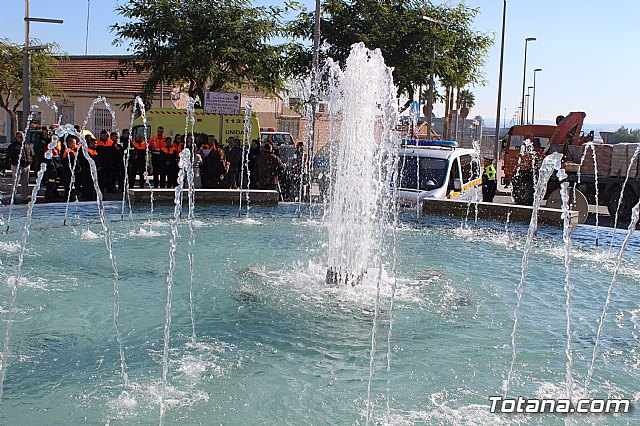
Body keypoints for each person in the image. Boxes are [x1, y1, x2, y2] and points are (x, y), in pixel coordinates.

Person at [7, 131, 32, 201]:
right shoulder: (13, 146)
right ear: (17, 137)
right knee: (15, 182)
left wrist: (29, 161)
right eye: (21, 137)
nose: (22, 139)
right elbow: (8, 156)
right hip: (17, 166)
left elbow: (30, 153)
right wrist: (14, 162)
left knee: (25, 183)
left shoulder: (26, 145)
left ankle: (25, 197)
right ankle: (13, 197)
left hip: (26, 165)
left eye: (23, 137)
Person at [79, 134, 101, 201]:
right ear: (91, 143)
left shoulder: (95, 150)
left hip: (94, 170)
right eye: (95, 143)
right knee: (88, 184)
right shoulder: (87, 150)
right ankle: (87, 197)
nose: (96, 144)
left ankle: (90, 196)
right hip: (87, 171)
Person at [61, 135, 81, 200]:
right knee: (69, 185)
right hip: (69, 172)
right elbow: (73, 161)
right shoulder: (69, 151)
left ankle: (70, 197)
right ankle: (69, 198)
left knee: (70, 185)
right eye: (75, 143)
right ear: (71, 144)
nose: (76, 145)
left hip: (69, 171)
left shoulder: (71, 151)